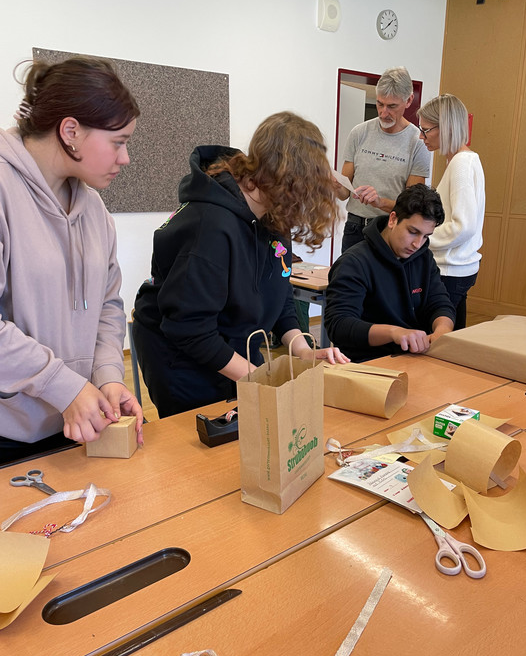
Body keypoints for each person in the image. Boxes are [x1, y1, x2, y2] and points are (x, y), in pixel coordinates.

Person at [133, 111, 349, 418]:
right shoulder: (210, 226)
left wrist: (304, 352)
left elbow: (280, 295)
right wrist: (259, 380)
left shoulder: (273, 213)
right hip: (183, 361)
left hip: (232, 346)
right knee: (207, 450)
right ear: (287, 181)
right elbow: (191, 329)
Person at [0, 56, 144, 462]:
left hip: (78, 424)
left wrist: (108, 377)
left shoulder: (94, 210)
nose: (125, 158)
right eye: (118, 142)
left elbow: (108, 306)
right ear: (70, 131)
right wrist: (63, 385)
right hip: (8, 435)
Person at [325, 183, 455, 362]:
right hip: (368, 364)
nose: (418, 244)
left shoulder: (424, 257)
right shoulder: (354, 262)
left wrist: (442, 330)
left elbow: (440, 303)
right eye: (413, 232)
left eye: (425, 236)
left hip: (416, 359)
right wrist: (394, 333)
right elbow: (339, 325)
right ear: (393, 219)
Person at [338, 67, 430, 252]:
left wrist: (380, 202)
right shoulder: (359, 133)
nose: (383, 113)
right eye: (380, 104)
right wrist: (332, 184)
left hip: (388, 229)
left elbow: (412, 206)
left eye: (392, 106)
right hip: (354, 227)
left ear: (409, 100)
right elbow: (343, 194)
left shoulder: (418, 141)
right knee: (347, 280)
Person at [417, 94, 485, 329]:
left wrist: (421, 239)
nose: (421, 136)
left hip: (451, 269)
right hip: (457, 268)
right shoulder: (463, 160)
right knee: (453, 336)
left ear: (444, 127)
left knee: (434, 338)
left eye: (425, 130)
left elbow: (463, 225)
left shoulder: (461, 164)